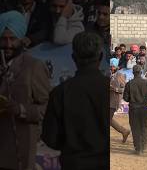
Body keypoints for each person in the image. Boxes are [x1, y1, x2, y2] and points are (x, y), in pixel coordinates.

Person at [41, 32, 108, 169]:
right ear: (100, 57)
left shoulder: (60, 92)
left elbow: (50, 139)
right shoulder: (110, 88)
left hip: (74, 163)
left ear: (73, 58)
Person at [0, 10, 51, 170]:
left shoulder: (33, 67)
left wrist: (20, 109)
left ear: (22, 39)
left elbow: (47, 108)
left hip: (18, 150)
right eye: (3, 39)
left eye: (13, 39)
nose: (8, 44)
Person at [123, 65, 147, 155]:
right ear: (141, 72)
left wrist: (132, 98)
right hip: (144, 108)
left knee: (135, 128)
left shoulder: (129, 83)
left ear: (133, 73)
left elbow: (125, 98)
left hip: (133, 109)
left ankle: (138, 149)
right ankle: (144, 146)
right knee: (144, 127)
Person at [110, 68, 131, 143]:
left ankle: (124, 131)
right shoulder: (112, 76)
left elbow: (122, 90)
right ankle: (124, 131)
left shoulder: (119, 75)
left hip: (113, 103)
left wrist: (114, 89)